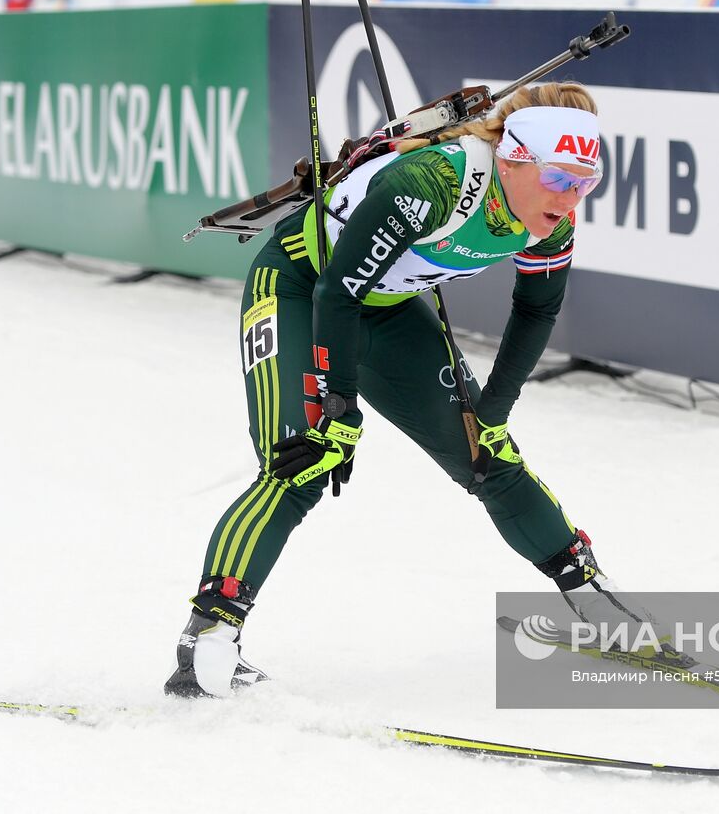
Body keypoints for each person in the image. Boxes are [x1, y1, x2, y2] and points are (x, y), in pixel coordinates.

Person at [165, 83, 641, 698]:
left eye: (585, 182)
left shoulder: (551, 224)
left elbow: (536, 314)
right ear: (513, 158)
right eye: (558, 178)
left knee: (488, 454)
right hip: (299, 289)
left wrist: (490, 411)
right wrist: (338, 408)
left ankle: (593, 603)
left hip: (385, 305)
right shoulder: (430, 185)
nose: (569, 197)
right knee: (305, 459)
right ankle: (205, 643)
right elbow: (335, 292)